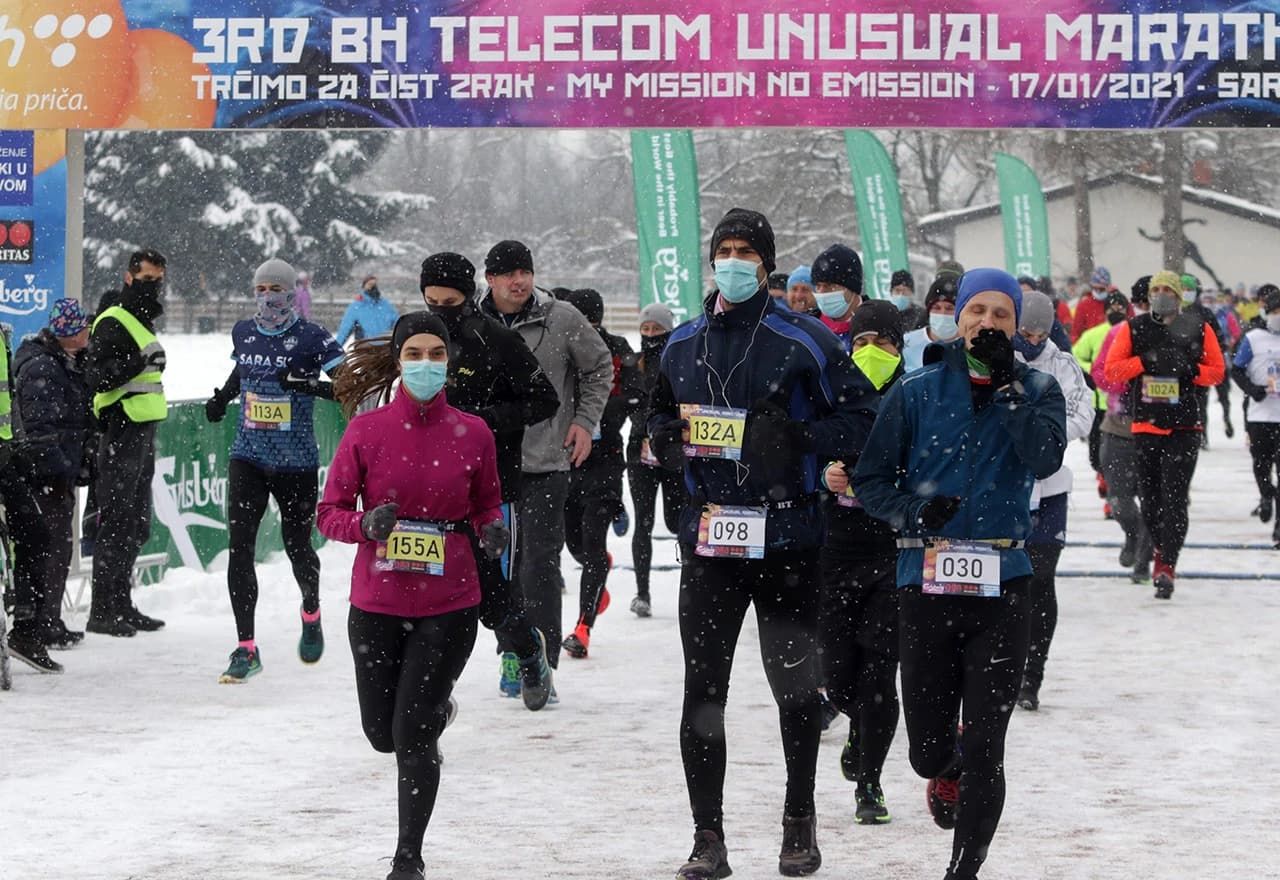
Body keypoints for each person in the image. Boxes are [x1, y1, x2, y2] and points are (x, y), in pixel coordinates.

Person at [648, 207, 879, 879]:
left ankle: (798, 821)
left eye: (747, 251)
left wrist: (801, 439)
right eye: (725, 249)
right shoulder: (681, 343)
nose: (735, 261)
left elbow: (865, 415)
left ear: (768, 265)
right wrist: (663, 437)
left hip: (788, 540)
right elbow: (659, 409)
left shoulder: (804, 339)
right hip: (712, 539)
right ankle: (707, 838)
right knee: (704, 692)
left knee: (796, 691)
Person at [852, 268, 1066, 880]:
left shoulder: (1038, 388)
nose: (988, 324)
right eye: (978, 312)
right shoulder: (916, 389)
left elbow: (1044, 457)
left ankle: (963, 868)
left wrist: (1008, 388)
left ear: (1015, 323)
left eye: (1002, 314)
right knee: (926, 746)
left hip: (1005, 579)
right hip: (927, 577)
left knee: (987, 745)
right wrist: (915, 511)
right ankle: (943, 767)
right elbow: (871, 480)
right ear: (958, 318)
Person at [320, 312, 508, 880]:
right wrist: (365, 527)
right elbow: (329, 514)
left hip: (450, 603)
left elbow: (487, 504)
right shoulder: (365, 431)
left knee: (411, 733)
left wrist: (491, 529)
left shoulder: (474, 431)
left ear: (449, 361)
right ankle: (435, 715)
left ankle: (409, 858)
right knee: (381, 733)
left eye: (436, 354)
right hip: (377, 602)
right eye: (415, 354)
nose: (426, 364)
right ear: (399, 360)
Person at [418, 251, 558, 709]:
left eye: (450, 302)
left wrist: (483, 421)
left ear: (469, 295)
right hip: (428, 492)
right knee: (424, 590)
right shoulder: (415, 340)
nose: (439, 311)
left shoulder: (496, 340)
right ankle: (428, 688)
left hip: (490, 490)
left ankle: (529, 650)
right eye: (430, 301)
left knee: (492, 599)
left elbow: (544, 400)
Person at [202, 258, 345, 683]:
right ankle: (246, 646)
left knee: (297, 547)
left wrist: (305, 385)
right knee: (240, 546)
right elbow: (242, 368)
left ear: (291, 292)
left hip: (295, 462)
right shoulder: (243, 331)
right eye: (261, 288)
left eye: (276, 289)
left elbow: (346, 387)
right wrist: (222, 397)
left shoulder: (312, 337)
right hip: (248, 455)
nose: (268, 297)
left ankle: (311, 610)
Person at [477, 240, 612, 673]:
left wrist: (585, 421)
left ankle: (543, 660)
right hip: (489, 464)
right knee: (498, 562)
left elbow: (599, 367)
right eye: (509, 273)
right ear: (490, 279)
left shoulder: (561, 318)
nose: (519, 281)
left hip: (546, 461)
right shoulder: (474, 323)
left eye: (526, 272)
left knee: (539, 562)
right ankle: (513, 651)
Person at [817, 299, 905, 826]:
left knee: (879, 672)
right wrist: (823, 473)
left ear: (900, 348)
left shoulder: (914, 398)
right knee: (839, 676)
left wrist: (891, 484)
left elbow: (931, 467)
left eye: (883, 343)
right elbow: (802, 449)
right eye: (862, 343)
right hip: (834, 549)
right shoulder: (829, 394)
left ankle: (870, 781)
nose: (871, 352)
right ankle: (856, 723)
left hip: (891, 552)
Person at [1103, 270, 1225, 599]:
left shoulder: (1198, 327)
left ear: (1178, 295)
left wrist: (1190, 370)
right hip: (1146, 425)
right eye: (1156, 289)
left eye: (1167, 289)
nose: (1161, 294)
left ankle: (1167, 565)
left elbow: (1217, 372)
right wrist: (1144, 361)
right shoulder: (1134, 328)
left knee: (1175, 498)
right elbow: (1112, 369)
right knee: (1152, 499)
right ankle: (1160, 549)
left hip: (1184, 425)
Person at [1009, 292, 1093, 711]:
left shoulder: (1063, 365)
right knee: (1009, 585)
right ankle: (1003, 665)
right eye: (1025, 332)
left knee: (1041, 581)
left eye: (1040, 333)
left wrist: (1046, 434)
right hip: (1004, 491)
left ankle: (1032, 674)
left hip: (1051, 489)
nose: (1033, 340)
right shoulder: (996, 357)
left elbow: (1083, 412)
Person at [83, 247, 169, 637]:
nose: (153, 287)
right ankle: (102, 609)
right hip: (119, 431)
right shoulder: (113, 321)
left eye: (159, 280)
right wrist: (138, 363)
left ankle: (121, 602)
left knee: (136, 524)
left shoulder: (140, 319)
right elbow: (96, 377)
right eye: (147, 280)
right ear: (129, 276)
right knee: (117, 523)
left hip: (141, 430)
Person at [559, 288, 645, 659]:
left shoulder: (617, 347)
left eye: (590, 322)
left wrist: (597, 413)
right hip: (564, 462)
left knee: (593, 547)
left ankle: (583, 627)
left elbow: (638, 395)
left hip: (605, 461)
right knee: (573, 543)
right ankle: (598, 574)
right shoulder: (558, 348)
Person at [12, 298, 94, 652]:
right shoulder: (43, 368)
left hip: (58, 473)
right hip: (45, 477)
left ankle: (49, 620)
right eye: (81, 328)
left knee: (59, 548)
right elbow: (39, 427)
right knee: (50, 548)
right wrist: (57, 469)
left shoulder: (62, 362)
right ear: (67, 333)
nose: (88, 332)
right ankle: (41, 623)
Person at [1, 321, 59, 672]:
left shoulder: (3, 336)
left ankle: (25, 627)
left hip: (4, 457)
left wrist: (19, 444)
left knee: (37, 534)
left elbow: (9, 401)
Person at [626, 302, 687, 618]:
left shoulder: (678, 361)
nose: (650, 335)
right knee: (643, 522)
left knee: (679, 521)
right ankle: (642, 592)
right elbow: (619, 403)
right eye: (645, 329)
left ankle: (691, 584)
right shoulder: (632, 363)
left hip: (673, 451)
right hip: (640, 452)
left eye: (657, 330)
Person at [1092, 290, 1155, 583]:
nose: (1145, 309)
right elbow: (1099, 372)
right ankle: (1133, 533)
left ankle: (1143, 562)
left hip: (1157, 428)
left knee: (1155, 502)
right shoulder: (1119, 333)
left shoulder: (1173, 335)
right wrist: (1127, 378)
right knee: (1119, 500)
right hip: (1118, 425)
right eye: (1141, 304)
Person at [1073, 290, 1131, 517]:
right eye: (1111, 307)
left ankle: (1111, 500)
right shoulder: (1093, 335)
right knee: (1096, 454)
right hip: (1099, 404)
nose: (1116, 311)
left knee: (1118, 459)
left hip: (1124, 408)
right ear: (1105, 310)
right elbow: (1076, 356)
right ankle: (1102, 477)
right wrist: (1095, 373)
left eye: (1120, 307)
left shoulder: (1133, 332)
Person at [1231, 284, 1280, 547]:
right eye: (1276, 311)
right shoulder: (1254, 338)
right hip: (1260, 415)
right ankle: (1265, 494)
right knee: (1261, 466)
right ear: (1267, 311)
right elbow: (1236, 370)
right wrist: (1254, 391)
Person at [901, 275, 959, 372]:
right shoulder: (907, 343)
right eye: (936, 307)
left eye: (949, 308)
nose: (942, 313)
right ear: (928, 312)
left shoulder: (968, 346)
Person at [810, 244, 864, 347]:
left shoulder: (877, 325)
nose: (821, 293)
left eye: (829, 286)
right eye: (817, 286)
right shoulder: (808, 328)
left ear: (852, 288)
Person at [336, 275, 399, 346]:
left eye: (375, 284)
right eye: (370, 284)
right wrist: (335, 353)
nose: (373, 287)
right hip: (365, 349)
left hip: (385, 348)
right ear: (364, 287)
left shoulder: (385, 305)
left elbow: (398, 324)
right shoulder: (356, 307)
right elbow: (344, 331)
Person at [1070, 266, 1113, 343]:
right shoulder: (1084, 305)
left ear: (1108, 287)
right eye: (1095, 288)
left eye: (1101, 289)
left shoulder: (1116, 303)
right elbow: (1075, 333)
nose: (1098, 292)